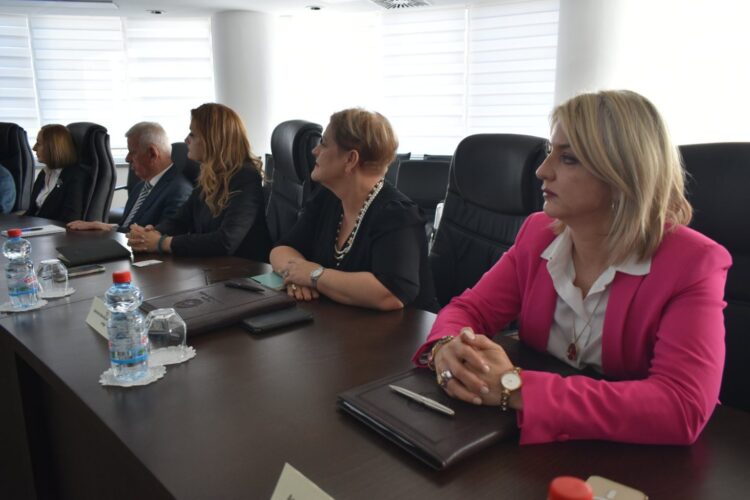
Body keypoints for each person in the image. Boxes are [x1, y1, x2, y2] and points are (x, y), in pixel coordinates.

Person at [413, 90, 731, 445]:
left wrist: (514, 387)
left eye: (568, 158)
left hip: (632, 458)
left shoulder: (693, 263)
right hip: (535, 444)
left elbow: (681, 406)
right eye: (551, 151)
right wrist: (446, 347)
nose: (541, 170)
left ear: (623, 175)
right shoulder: (538, 233)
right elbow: (469, 309)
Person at [270, 108, 437, 312]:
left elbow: (390, 294)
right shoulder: (328, 197)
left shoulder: (398, 214)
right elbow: (282, 249)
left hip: (404, 329)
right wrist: (296, 277)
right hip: (340, 323)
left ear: (350, 159)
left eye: (323, 143)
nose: (315, 151)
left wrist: (314, 276)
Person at [127, 103, 271, 261]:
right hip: (214, 267)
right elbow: (180, 220)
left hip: (245, 269)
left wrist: (162, 243)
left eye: (192, 134)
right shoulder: (209, 176)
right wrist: (153, 233)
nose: (186, 140)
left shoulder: (246, 177)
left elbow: (225, 241)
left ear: (213, 139)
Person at [67, 122, 192, 233]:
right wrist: (102, 226)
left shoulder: (179, 191)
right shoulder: (141, 187)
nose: (127, 159)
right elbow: (128, 227)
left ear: (152, 153)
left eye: (132, 152)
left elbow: (162, 238)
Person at [27, 124, 89, 222]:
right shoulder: (44, 173)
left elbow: (71, 218)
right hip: (36, 226)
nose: (34, 148)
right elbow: (31, 212)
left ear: (53, 147)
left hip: (57, 230)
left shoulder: (75, 176)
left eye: (38, 144)